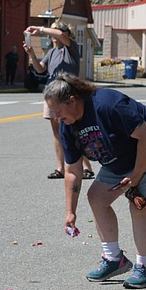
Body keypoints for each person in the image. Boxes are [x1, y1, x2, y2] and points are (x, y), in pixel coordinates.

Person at [46, 74, 146, 289]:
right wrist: (70, 211)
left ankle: (144, 268)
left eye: (59, 111)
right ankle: (114, 258)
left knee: (138, 204)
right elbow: (72, 171)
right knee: (97, 198)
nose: (56, 117)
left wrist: (136, 175)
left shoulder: (107, 104)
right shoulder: (67, 126)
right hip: (120, 158)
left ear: (72, 100)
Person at [26, 21, 93, 181]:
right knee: (58, 133)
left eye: (56, 30)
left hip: (68, 94)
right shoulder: (52, 52)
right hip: (53, 95)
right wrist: (32, 54)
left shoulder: (71, 48)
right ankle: (60, 168)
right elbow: (40, 69)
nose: (53, 34)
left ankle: (86, 167)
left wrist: (41, 29)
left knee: (75, 131)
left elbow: (62, 35)